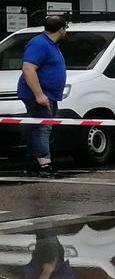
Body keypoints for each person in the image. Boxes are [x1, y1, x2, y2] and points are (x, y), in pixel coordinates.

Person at [15, 12, 70, 178]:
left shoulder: (51, 44)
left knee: (41, 127)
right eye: (66, 28)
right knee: (42, 128)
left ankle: (32, 163)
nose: (66, 31)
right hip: (39, 94)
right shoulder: (39, 44)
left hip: (50, 94)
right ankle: (44, 165)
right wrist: (39, 95)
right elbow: (28, 69)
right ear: (61, 29)